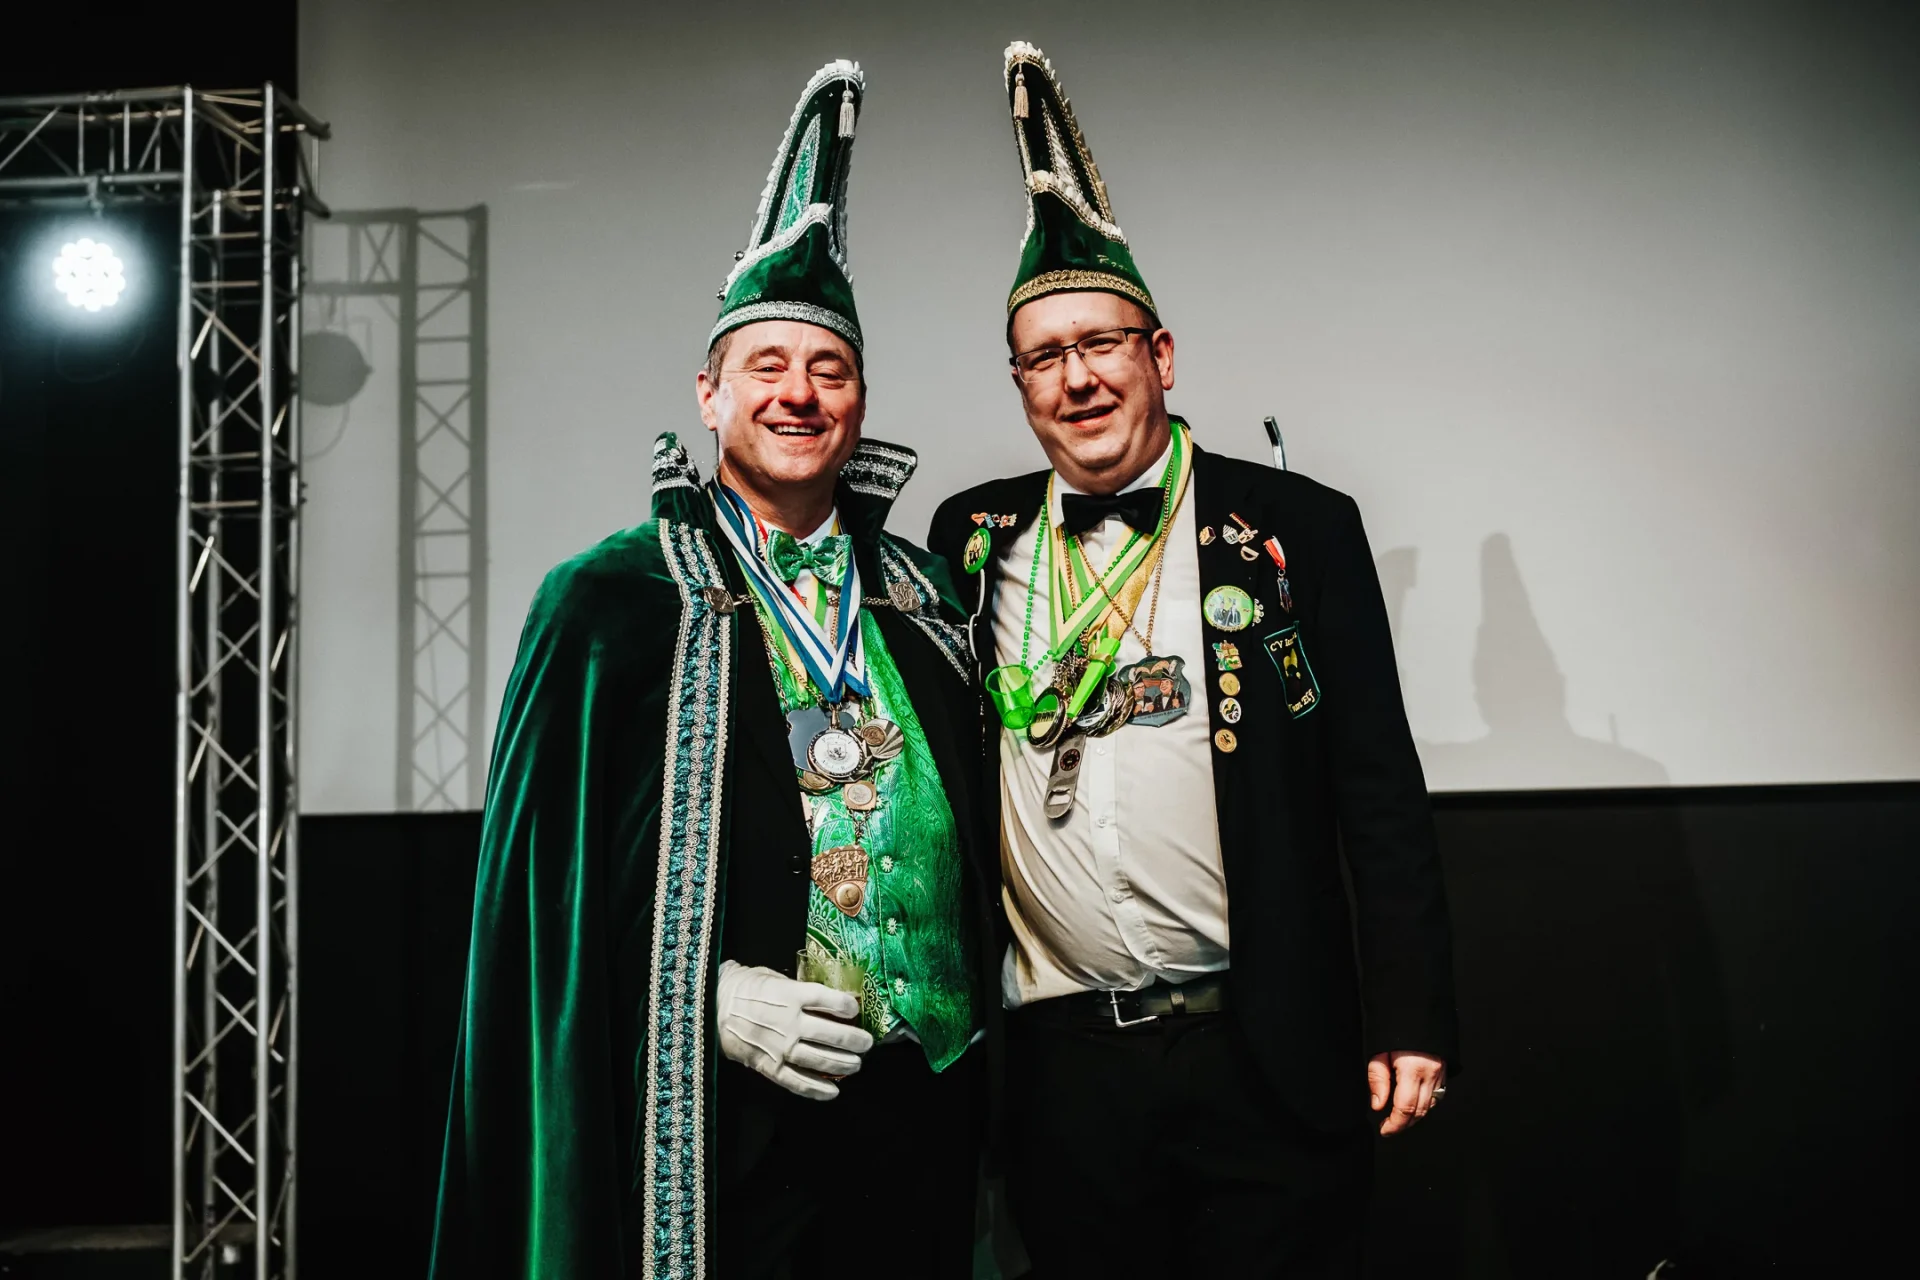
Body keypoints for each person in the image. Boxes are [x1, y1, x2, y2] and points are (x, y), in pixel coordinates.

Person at [430, 61, 996, 1280]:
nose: (799, 393)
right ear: (709, 394)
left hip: (929, 1111)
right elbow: (546, 908)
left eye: (829, 369)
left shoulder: (927, 596)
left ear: (861, 398)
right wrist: (699, 997)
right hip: (732, 1122)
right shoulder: (609, 600)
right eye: (767, 366)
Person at [927, 43, 1459, 1277]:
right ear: (1019, 384)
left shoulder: (1296, 525)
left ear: (1160, 355)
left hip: (1262, 1048)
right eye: (1044, 356)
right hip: (1063, 1071)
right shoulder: (973, 538)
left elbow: (1378, 788)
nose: (1077, 377)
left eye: (1101, 343)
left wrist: (1411, 1013)